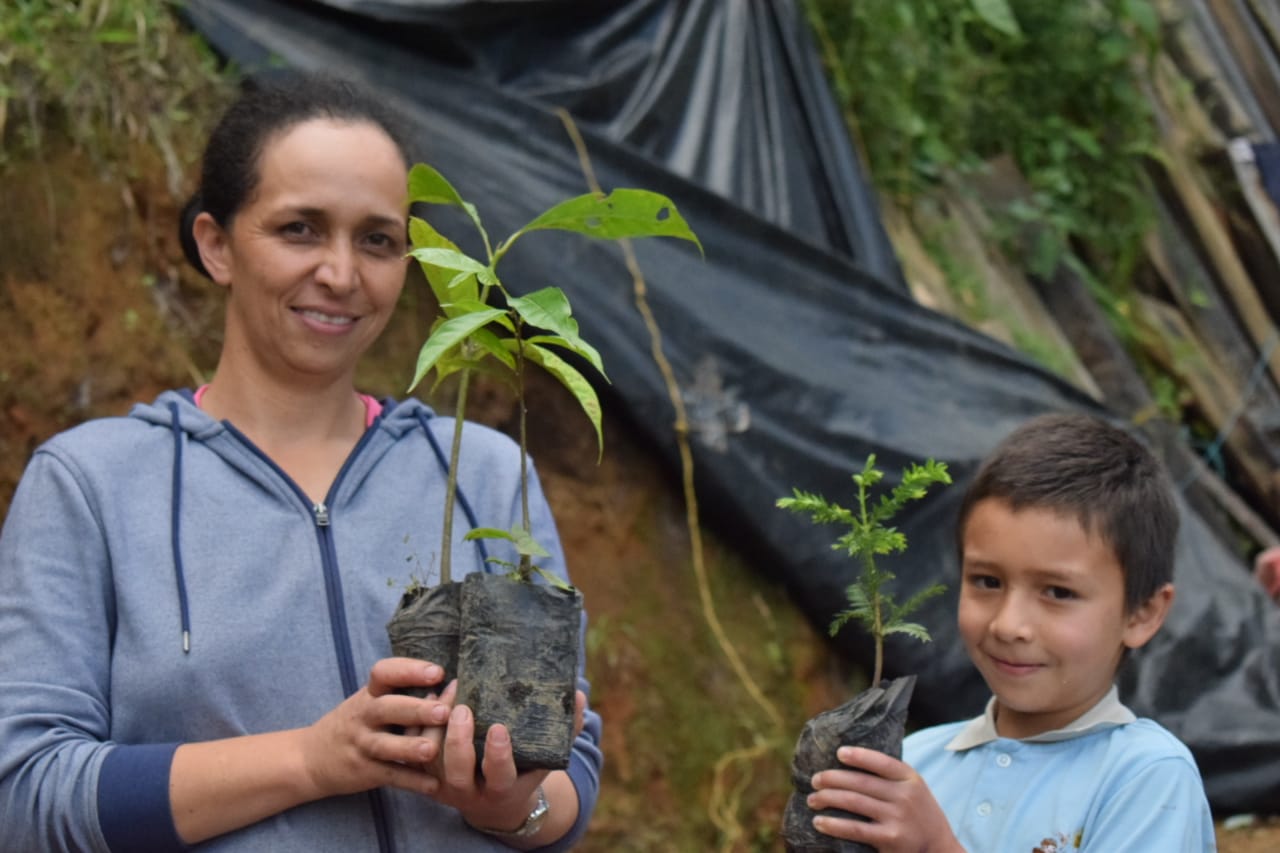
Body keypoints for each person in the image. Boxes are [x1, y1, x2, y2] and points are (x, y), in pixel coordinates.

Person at [0, 71, 601, 852]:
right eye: (300, 229)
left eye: (377, 239)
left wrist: (503, 803)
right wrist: (313, 760)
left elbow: (570, 769)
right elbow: (24, 793)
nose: (342, 275)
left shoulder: (485, 471)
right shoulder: (91, 485)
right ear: (216, 245)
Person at [803, 413, 1216, 852]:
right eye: (987, 581)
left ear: (1141, 614)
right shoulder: (914, 763)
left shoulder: (1145, 777)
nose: (1008, 625)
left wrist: (935, 847)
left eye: (1058, 591)